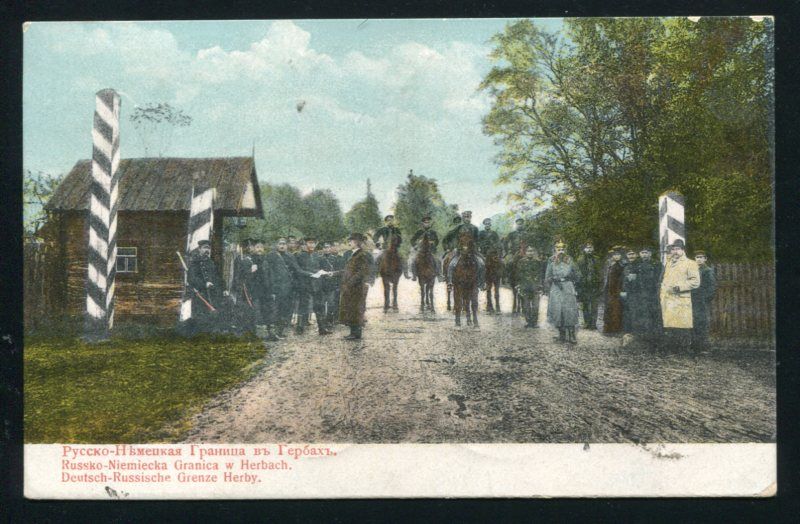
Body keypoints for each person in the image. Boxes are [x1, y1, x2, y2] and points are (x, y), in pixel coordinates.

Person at [660, 239, 700, 352]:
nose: (675, 251)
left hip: (681, 299)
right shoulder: (669, 263)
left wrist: (680, 287)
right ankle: (673, 349)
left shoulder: (690, 263)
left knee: (683, 325)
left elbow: (695, 282)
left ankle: (684, 349)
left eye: (678, 249)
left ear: (683, 250)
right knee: (670, 325)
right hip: (668, 299)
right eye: (673, 249)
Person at [294, 237, 333, 336]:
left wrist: (325, 272)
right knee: (303, 305)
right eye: (309, 243)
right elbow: (297, 270)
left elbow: (325, 267)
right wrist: (310, 274)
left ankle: (322, 328)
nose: (311, 245)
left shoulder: (317, 256)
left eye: (313, 243)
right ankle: (299, 328)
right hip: (304, 284)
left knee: (319, 305)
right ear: (305, 244)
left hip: (317, 284)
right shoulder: (299, 256)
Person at [544, 240, 580, 343]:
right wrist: (551, 281)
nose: (561, 251)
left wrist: (571, 278)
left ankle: (572, 335)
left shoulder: (570, 260)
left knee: (570, 310)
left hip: (568, 286)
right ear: (555, 250)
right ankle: (562, 334)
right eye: (558, 249)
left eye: (562, 249)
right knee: (557, 310)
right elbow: (547, 275)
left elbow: (577, 273)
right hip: (556, 288)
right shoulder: (551, 260)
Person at [186, 239, 223, 334]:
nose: (207, 250)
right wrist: (204, 284)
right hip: (200, 294)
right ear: (199, 249)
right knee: (200, 316)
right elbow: (192, 279)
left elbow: (218, 277)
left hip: (211, 293)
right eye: (205, 248)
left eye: (209, 248)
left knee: (212, 315)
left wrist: (224, 288)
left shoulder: (211, 263)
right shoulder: (194, 262)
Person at [339, 233, 372, 340]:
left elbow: (362, 271)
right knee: (351, 308)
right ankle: (353, 332)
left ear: (357, 242)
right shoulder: (353, 254)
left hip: (357, 287)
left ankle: (356, 333)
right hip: (352, 287)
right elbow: (349, 270)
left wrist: (350, 282)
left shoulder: (362, 254)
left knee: (356, 309)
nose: (349, 243)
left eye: (351, 241)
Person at [250, 239, 279, 341]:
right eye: (257, 247)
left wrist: (272, 291)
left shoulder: (266, 261)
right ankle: (258, 335)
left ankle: (271, 334)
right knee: (257, 312)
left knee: (268, 311)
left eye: (261, 247)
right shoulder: (250, 260)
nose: (259, 249)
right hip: (255, 291)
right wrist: (251, 271)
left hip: (266, 291)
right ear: (253, 248)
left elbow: (270, 276)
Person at [265, 237, 294, 338]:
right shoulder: (271, 256)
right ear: (276, 245)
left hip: (287, 288)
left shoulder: (290, 256)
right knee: (274, 310)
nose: (282, 246)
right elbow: (267, 273)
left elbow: (295, 270)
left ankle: (280, 331)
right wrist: (270, 288)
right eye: (280, 244)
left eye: (284, 244)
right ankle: (272, 333)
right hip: (275, 288)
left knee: (284, 310)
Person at [230, 238, 260, 335]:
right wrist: (250, 271)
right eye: (250, 246)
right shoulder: (240, 258)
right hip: (243, 288)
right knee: (243, 309)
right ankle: (242, 331)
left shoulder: (251, 258)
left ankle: (250, 330)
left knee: (251, 309)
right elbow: (238, 275)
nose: (251, 248)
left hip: (251, 287)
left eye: (252, 246)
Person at [691, 250, 717, 352]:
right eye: (697, 257)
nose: (699, 259)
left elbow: (712, 287)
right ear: (695, 259)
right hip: (693, 300)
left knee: (702, 322)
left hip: (702, 301)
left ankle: (704, 347)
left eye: (701, 257)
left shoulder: (707, 271)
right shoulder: (693, 270)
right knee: (694, 322)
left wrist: (705, 299)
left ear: (705, 259)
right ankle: (695, 346)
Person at [516, 246, 545, 328]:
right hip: (524, 286)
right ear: (525, 253)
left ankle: (535, 322)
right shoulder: (521, 262)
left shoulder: (538, 262)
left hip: (535, 287)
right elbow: (518, 274)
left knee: (536, 306)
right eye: (528, 251)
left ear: (534, 252)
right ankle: (528, 321)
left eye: (532, 251)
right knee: (525, 306)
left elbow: (541, 274)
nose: (530, 253)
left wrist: (541, 285)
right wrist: (519, 285)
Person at [576, 242, 603, 329]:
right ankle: (587, 322)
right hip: (584, 286)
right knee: (585, 305)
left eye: (591, 247)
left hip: (594, 286)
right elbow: (578, 274)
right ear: (584, 249)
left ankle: (593, 324)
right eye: (587, 248)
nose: (589, 249)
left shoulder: (597, 259)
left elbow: (600, 273)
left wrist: (599, 284)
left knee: (594, 305)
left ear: (593, 249)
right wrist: (579, 286)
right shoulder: (580, 260)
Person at [318, 241, 344, 329]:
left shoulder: (336, 259)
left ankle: (329, 321)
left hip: (332, 285)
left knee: (331, 304)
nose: (326, 249)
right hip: (322, 285)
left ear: (330, 248)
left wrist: (333, 273)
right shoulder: (319, 259)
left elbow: (342, 271)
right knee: (321, 304)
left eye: (328, 247)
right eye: (324, 247)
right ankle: (322, 322)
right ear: (322, 249)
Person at [602, 246, 626, 335]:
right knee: (609, 309)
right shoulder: (610, 265)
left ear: (621, 256)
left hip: (617, 290)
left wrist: (621, 290)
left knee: (617, 310)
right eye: (615, 255)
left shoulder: (622, 265)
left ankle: (616, 329)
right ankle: (608, 329)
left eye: (618, 255)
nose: (616, 257)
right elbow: (607, 278)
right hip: (609, 290)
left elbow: (623, 279)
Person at [410, 216, 441, 280]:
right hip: (421, 250)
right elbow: (412, 240)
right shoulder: (419, 232)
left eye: (428, 222)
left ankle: (439, 275)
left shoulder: (432, 232)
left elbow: (437, 241)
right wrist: (416, 245)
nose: (427, 224)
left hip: (431, 250)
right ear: (423, 223)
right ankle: (414, 275)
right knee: (413, 260)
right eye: (425, 222)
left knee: (438, 261)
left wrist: (433, 244)